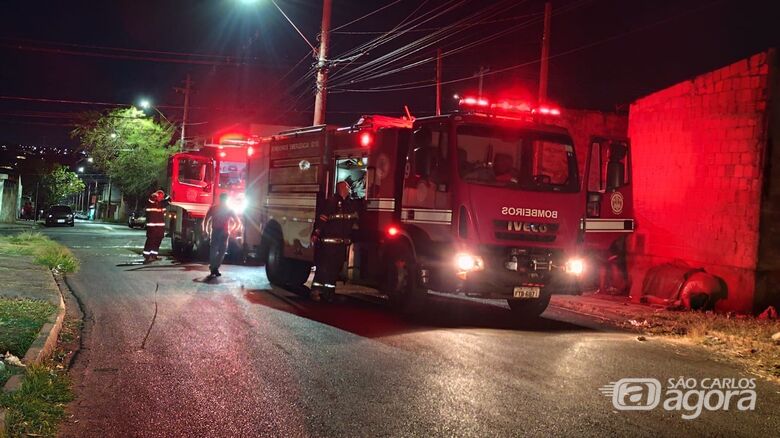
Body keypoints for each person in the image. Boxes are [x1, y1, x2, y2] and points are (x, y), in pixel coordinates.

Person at [310, 181, 360, 302]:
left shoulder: (349, 204)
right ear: (341, 189)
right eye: (346, 187)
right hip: (328, 244)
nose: (348, 189)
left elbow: (354, 221)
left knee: (335, 269)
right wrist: (316, 233)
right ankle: (316, 290)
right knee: (324, 268)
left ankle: (329, 293)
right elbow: (322, 219)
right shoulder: (331, 202)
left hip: (340, 245)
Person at [204, 192, 239, 279]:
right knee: (222, 251)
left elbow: (206, 220)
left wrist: (205, 230)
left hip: (217, 231)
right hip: (224, 232)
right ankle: (215, 267)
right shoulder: (228, 209)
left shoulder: (214, 208)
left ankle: (213, 267)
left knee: (214, 250)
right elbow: (237, 222)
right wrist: (232, 230)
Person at [143, 190, 169, 263]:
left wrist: (164, 195)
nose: (161, 198)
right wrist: (154, 195)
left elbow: (169, 199)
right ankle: (147, 257)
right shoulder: (151, 202)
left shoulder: (162, 203)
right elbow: (150, 200)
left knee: (158, 241)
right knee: (150, 241)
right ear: (156, 196)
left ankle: (154, 255)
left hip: (160, 227)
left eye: (162, 197)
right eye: (159, 196)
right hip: (152, 227)